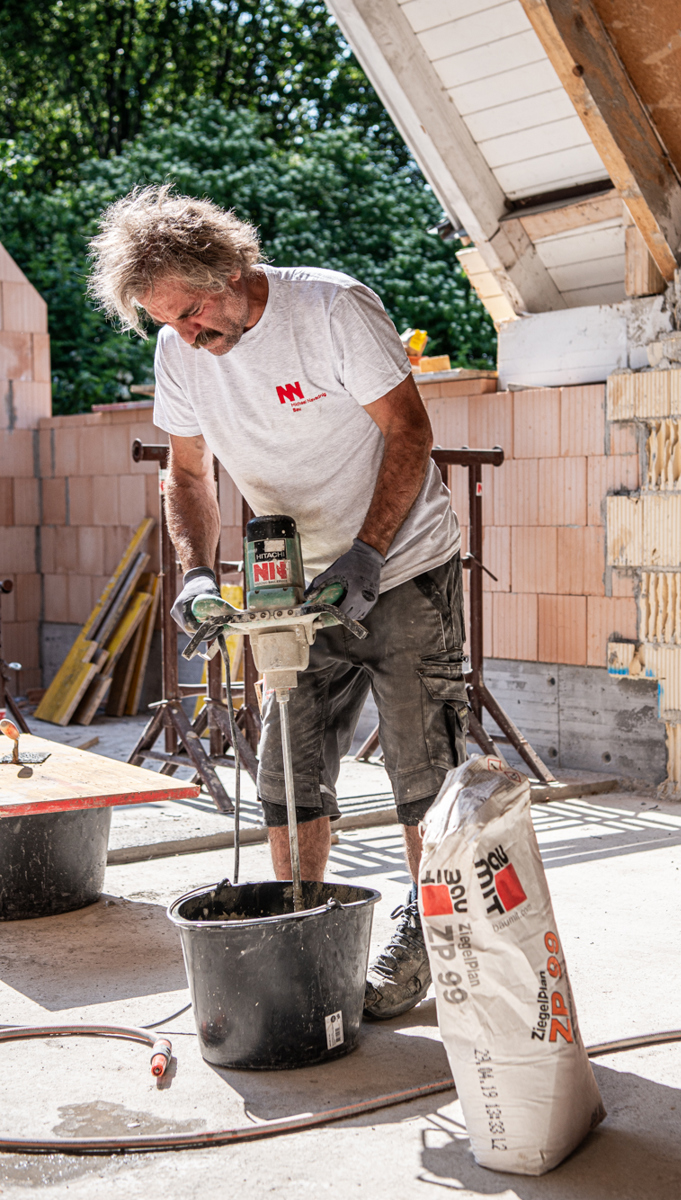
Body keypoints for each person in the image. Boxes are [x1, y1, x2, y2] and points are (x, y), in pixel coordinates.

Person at [87, 185, 468, 1019]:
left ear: (230, 267)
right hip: (290, 582)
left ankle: (427, 937)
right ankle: (301, 918)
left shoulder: (331, 309)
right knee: (287, 767)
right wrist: (196, 572)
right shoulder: (180, 351)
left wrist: (369, 552)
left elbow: (410, 430)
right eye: (167, 322)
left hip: (401, 563)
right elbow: (187, 475)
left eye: (192, 311)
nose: (188, 333)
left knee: (422, 772)